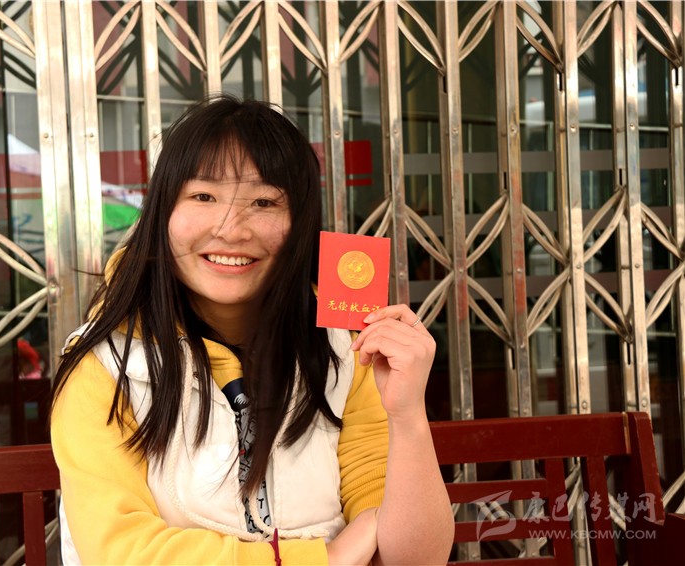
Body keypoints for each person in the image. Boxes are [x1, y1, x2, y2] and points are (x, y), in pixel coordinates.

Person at [50, 96, 454, 565]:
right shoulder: (103, 364)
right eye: (203, 197)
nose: (231, 230)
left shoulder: (347, 347)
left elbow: (414, 559)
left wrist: (408, 417)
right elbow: (122, 552)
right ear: (162, 212)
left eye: (264, 202)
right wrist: (324, 559)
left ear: (300, 224)